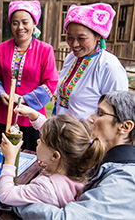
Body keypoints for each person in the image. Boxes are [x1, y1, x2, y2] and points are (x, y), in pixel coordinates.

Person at [14, 91, 135, 219]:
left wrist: (18, 199)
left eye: (100, 113)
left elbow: (65, 218)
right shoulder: (105, 157)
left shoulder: (125, 180)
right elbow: (64, 141)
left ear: (125, 126)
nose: (91, 118)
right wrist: (36, 116)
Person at [0, 0, 59, 151]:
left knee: (31, 158)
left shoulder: (45, 50)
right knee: (4, 156)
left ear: (34, 23)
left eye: (25, 22)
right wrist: (1, 93)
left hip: (32, 117)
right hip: (4, 114)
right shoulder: (1, 49)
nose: (20, 27)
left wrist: (23, 99)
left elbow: (50, 83)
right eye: (15, 23)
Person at [0, 112, 104, 207]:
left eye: (42, 140)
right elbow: (55, 136)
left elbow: (6, 196)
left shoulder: (45, 188)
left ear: (55, 156)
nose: (38, 141)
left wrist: (10, 160)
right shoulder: (76, 173)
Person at [54, 3, 128, 120]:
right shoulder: (71, 58)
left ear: (98, 36)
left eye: (81, 38)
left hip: (87, 135)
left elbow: (118, 113)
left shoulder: (109, 67)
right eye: (70, 37)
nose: (74, 44)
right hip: (63, 133)